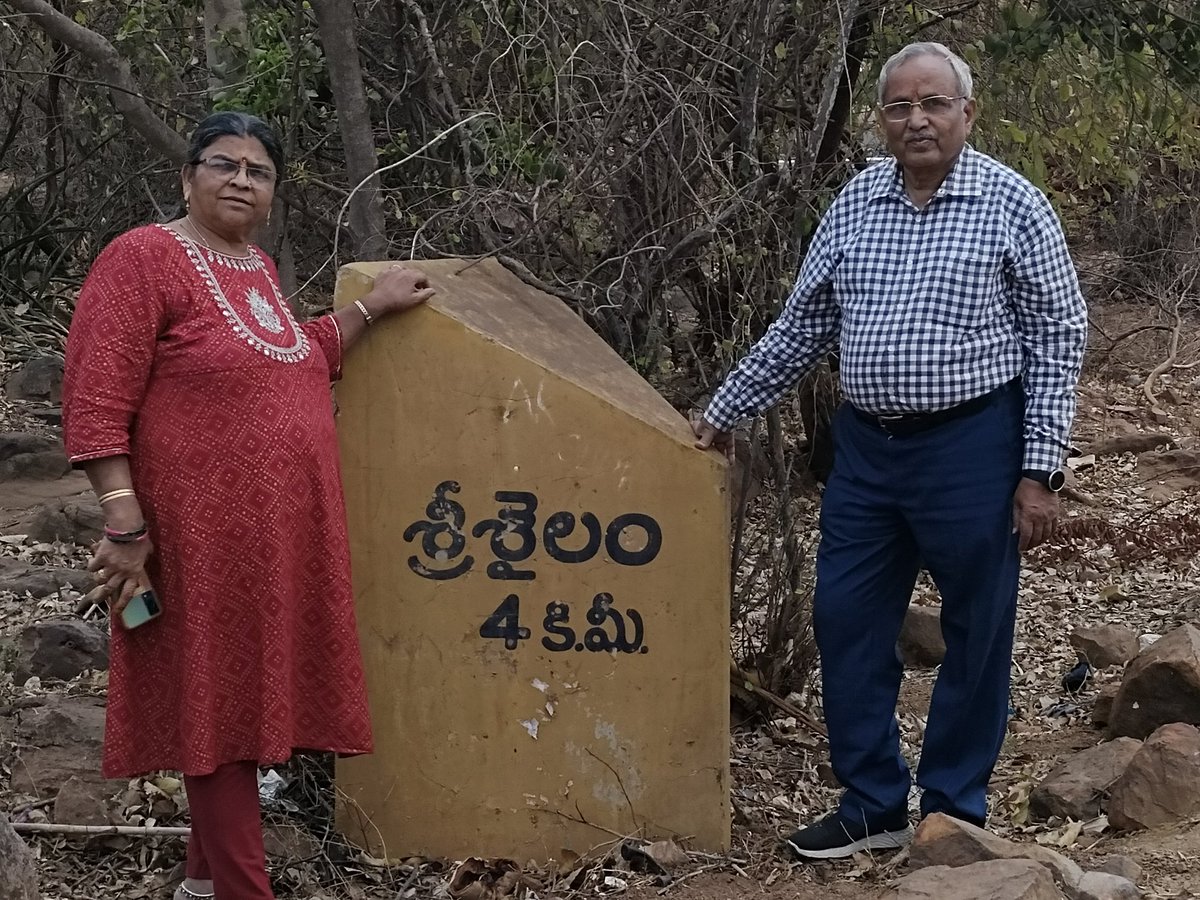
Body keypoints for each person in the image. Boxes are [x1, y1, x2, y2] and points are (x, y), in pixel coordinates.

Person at [693, 42, 1087, 859]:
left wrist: (1039, 469)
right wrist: (726, 408)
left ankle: (953, 808)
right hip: (868, 451)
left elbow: (1059, 332)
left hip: (973, 444)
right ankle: (872, 800)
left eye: (934, 103)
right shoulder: (857, 202)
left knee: (976, 630)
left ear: (966, 114)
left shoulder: (1014, 204)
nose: (917, 120)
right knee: (845, 618)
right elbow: (806, 323)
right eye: (901, 106)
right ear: (882, 119)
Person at [61, 111, 434, 900]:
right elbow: (95, 405)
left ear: (272, 194)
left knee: (230, 705)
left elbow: (294, 359)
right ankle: (241, 890)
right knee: (217, 714)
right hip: (188, 541)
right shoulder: (144, 258)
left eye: (258, 172)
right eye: (223, 164)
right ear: (187, 176)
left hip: (269, 544)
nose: (240, 180)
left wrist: (373, 308)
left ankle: (201, 885)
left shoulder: (255, 269)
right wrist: (126, 525)